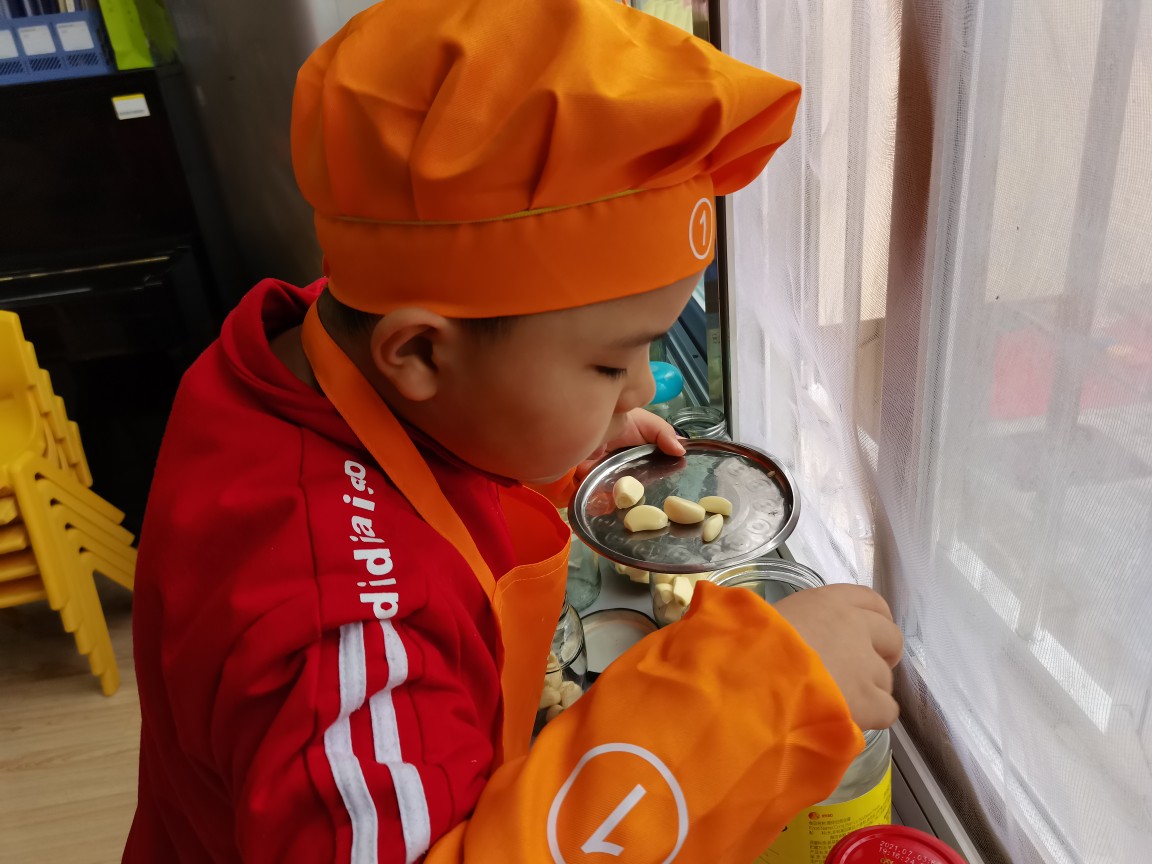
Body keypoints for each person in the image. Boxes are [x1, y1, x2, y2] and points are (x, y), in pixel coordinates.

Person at [124, 0, 903, 862]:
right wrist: (756, 701)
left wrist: (555, 449)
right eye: (607, 364)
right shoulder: (345, 640)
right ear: (420, 352)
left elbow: (415, 448)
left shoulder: (303, 361)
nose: (641, 387)